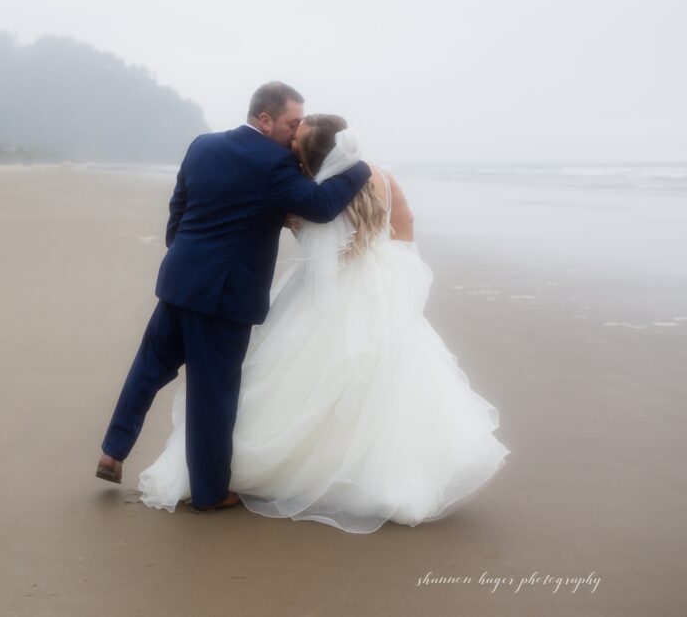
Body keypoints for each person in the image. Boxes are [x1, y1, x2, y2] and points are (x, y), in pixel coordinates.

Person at [138, 114, 510, 531]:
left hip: (320, 292)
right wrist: (391, 273)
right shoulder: (382, 179)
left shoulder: (304, 197)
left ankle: (254, 468)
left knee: (290, 376)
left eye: (296, 142)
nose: (290, 144)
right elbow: (405, 228)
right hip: (380, 286)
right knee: (392, 377)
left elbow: (280, 234)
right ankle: (384, 477)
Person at [96, 84, 373, 512]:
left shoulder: (202, 146)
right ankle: (210, 493)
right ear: (264, 119)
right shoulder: (275, 163)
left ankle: (112, 452)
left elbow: (178, 208)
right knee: (213, 395)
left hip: (179, 280)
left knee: (148, 368)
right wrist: (359, 169)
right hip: (223, 297)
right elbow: (320, 206)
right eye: (290, 123)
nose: (296, 132)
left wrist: (185, 254)